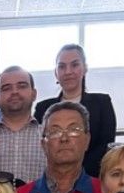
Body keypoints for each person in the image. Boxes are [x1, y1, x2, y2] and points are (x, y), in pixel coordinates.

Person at [34, 44, 117, 177]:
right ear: (56, 73)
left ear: (85, 68)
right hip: (53, 178)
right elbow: (41, 148)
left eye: (74, 65)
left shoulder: (102, 103)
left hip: (92, 177)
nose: (68, 72)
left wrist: (75, 173)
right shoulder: (42, 108)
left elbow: (105, 145)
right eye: (62, 66)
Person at [0, 66, 46, 185]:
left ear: (34, 94)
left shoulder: (49, 136)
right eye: (6, 88)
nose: (14, 92)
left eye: (22, 86)